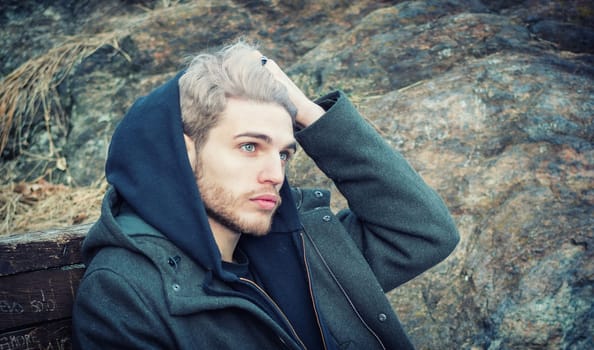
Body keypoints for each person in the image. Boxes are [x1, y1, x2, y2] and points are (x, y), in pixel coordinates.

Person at [72, 40, 459, 349]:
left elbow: (424, 232)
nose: (275, 174)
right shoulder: (124, 291)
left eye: (284, 153)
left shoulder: (305, 251)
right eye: (249, 147)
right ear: (184, 152)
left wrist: (307, 112)